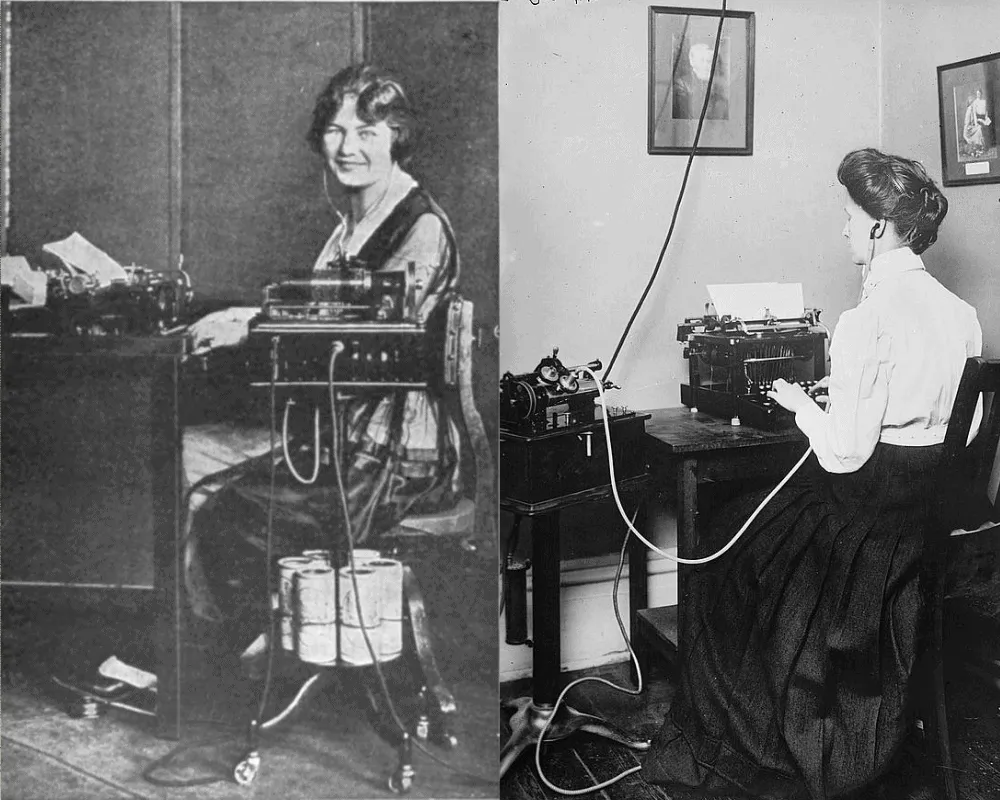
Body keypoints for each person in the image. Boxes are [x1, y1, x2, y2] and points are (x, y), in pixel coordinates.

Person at [642, 148, 982, 798]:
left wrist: (801, 403)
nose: (844, 229)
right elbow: (960, 433)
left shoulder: (865, 320)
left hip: (862, 535)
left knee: (726, 540)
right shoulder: (961, 315)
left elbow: (844, 454)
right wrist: (857, 402)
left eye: (850, 217)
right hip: (917, 529)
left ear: (878, 227)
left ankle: (751, 740)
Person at [182, 64, 462, 621]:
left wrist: (251, 329)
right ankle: (240, 639)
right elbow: (323, 310)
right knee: (188, 458)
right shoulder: (351, 226)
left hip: (393, 456)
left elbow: (363, 342)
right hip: (340, 436)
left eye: (367, 132)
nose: (348, 147)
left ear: (396, 138)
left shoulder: (417, 225)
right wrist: (249, 316)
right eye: (336, 130)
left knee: (224, 513)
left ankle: (257, 647)